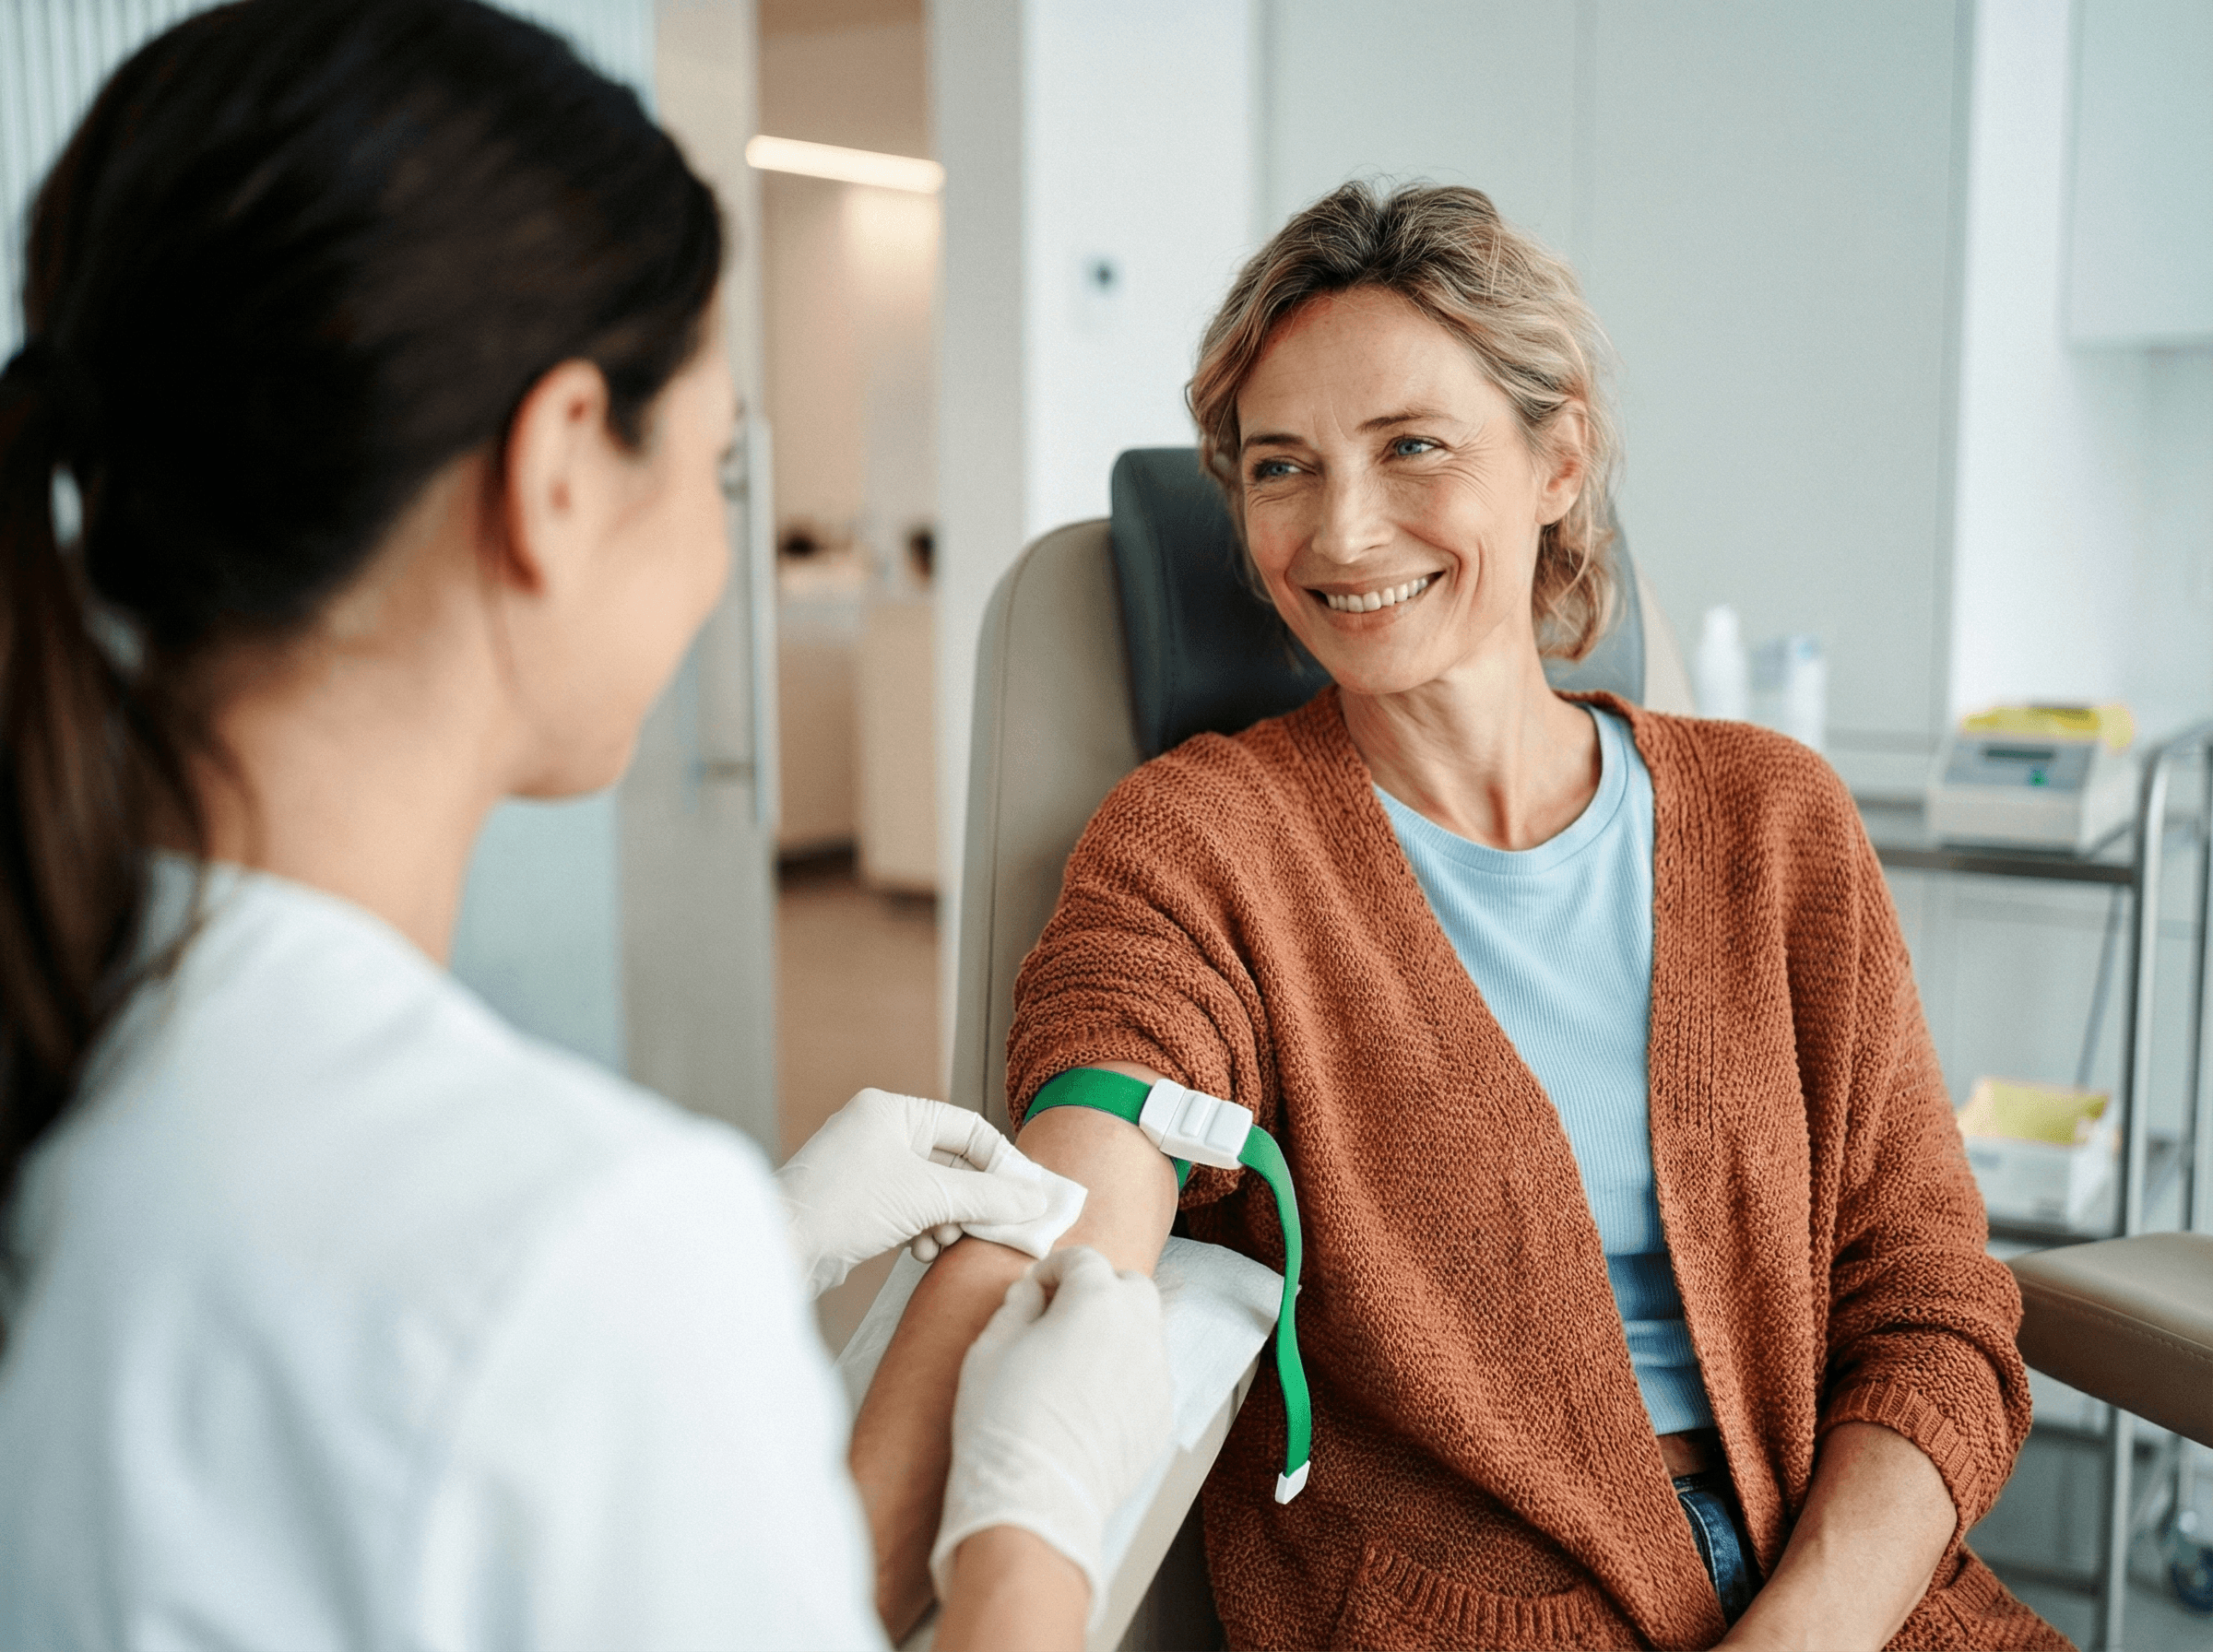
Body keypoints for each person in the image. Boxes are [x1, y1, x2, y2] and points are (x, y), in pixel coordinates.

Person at [0, 4, 1170, 1648]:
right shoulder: (578, 1242)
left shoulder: (82, 1036)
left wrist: (740, 1264)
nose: (711, 547)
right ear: (557, 472)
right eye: (712, 461)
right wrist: (1036, 1528)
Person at [847, 183, 2069, 1651]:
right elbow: (1060, 1229)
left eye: (1412, 446)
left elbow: (1931, 1309)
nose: (1343, 532)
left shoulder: (1776, 825)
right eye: (1280, 465)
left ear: (1559, 458)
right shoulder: (1206, 845)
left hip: (1868, 1598)